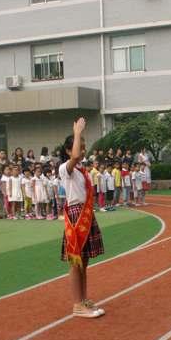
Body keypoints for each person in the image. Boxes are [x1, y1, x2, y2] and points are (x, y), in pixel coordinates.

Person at [59, 118, 106, 318]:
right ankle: (77, 304)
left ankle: (83, 299)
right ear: (69, 151)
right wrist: (77, 132)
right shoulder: (65, 168)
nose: (83, 150)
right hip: (77, 217)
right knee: (76, 262)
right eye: (80, 146)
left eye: (85, 146)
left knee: (84, 262)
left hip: (86, 215)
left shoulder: (81, 171)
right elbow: (77, 155)